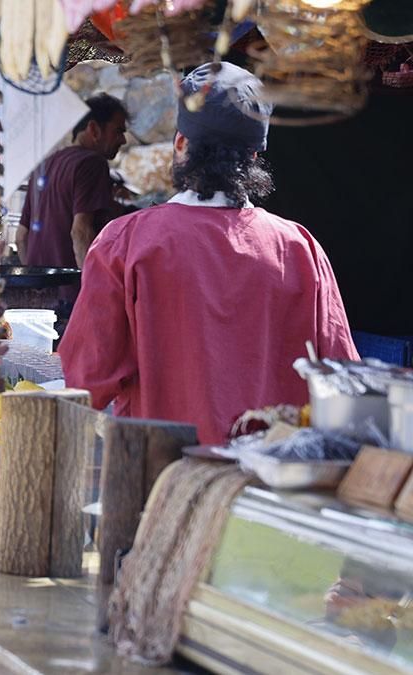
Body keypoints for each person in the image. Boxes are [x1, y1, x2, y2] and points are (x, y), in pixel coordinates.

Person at [58, 62, 359, 445]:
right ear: (253, 156)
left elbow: (85, 382)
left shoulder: (125, 243)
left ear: (181, 143)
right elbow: (343, 385)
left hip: (164, 474)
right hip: (271, 476)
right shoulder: (301, 249)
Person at [15, 93, 128, 306]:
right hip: (72, 299)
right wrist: (94, 293)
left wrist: (37, 284)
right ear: (94, 129)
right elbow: (80, 232)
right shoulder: (92, 163)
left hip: (37, 300)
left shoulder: (44, 165)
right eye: (118, 131)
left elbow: (21, 236)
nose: (123, 140)